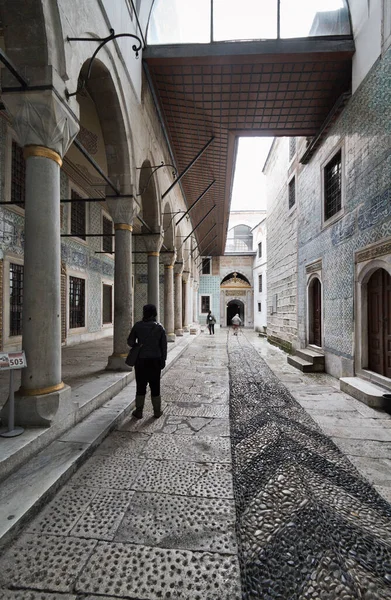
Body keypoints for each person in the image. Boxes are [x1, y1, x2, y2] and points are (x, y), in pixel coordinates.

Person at [127, 303, 167, 419]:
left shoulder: (138, 326)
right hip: (155, 361)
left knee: (141, 385)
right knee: (155, 386)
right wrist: (163, 360)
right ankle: (157, 411)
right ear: (154, 314)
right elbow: (163, 347)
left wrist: (138, 345)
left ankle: (139, 411)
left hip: (141, 361)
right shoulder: (159, 327)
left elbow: (130, 342)